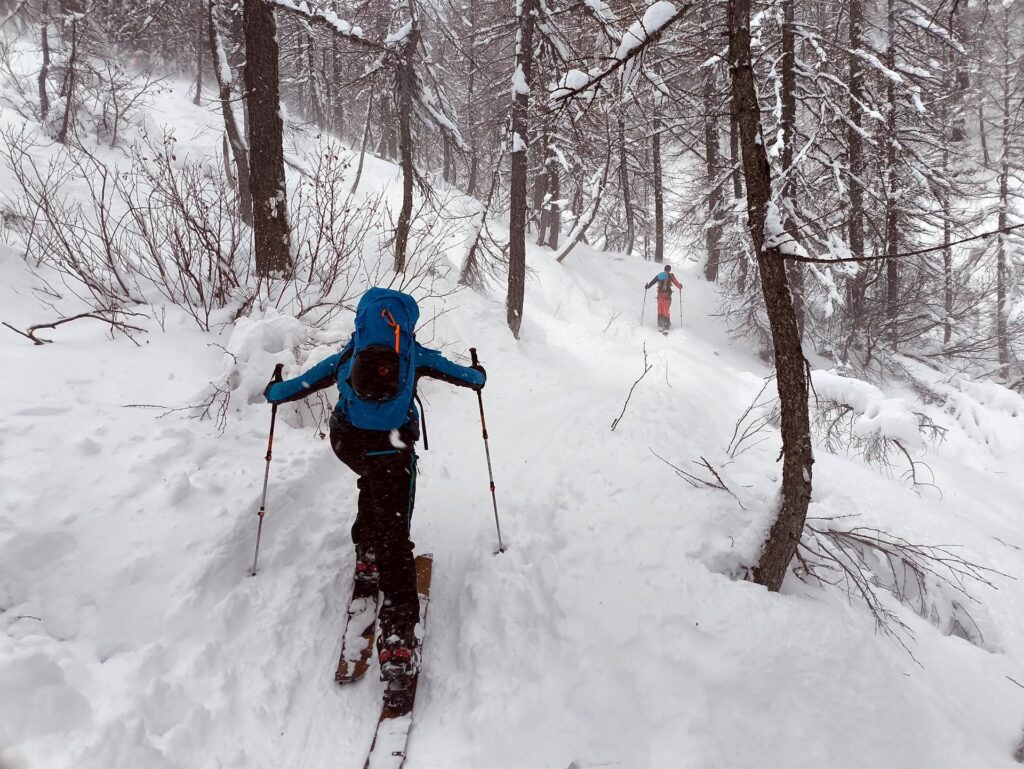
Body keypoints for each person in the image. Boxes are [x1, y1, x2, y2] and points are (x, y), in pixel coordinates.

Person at [263, 288, 485, 680]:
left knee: (374, 485)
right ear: (405, 322)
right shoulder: (412, 355)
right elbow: (466, 377)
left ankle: (366, 552)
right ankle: (398, 640)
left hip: (348, 442)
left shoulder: (349, 355)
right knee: (394, 533)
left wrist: (274, 389)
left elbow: (298, 386)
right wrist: (478, 373)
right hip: (392, 449)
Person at [645, 264, 683, 333]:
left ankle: (660, 325)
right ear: (669, 270)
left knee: (660, 309)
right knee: (665, 310)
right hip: (667, 296)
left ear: (664, 269)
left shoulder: (660, 275)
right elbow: (676, 283)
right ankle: (666, 325)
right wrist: (680, 286)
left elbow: (653, 282)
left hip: (660, 295)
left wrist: (648, 286)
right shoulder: (670, 276)